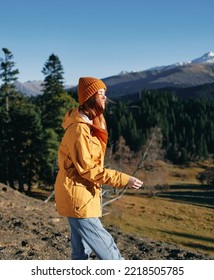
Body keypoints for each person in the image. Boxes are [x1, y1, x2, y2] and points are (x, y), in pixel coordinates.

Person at [54, 76, 143, 260]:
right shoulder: (79, 129)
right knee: (110, 253)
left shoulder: (90, 123)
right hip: (78, 199)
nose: (104, 97)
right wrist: (125, 179)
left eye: (105, 93)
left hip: (83, 195)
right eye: (100, 93)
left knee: (80, 253)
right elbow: (88, 169)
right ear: (89, 97)